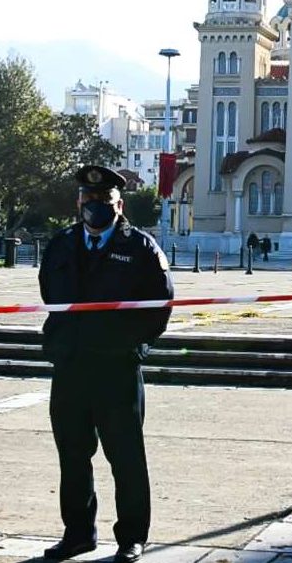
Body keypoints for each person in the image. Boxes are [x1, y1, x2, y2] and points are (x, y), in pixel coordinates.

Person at [38, 165, 174, 562]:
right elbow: (49, 291)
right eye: (88, 198)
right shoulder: (62, 243)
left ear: (120, 205)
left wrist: (133, 346)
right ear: (78, 201)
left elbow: (160, 304)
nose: (94, 205)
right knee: (72, 455)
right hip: (71, 365)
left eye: (103, 200)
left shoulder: (140, 247)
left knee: (126, 457)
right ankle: (78, 533)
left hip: (116, 368)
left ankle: (132, 536)